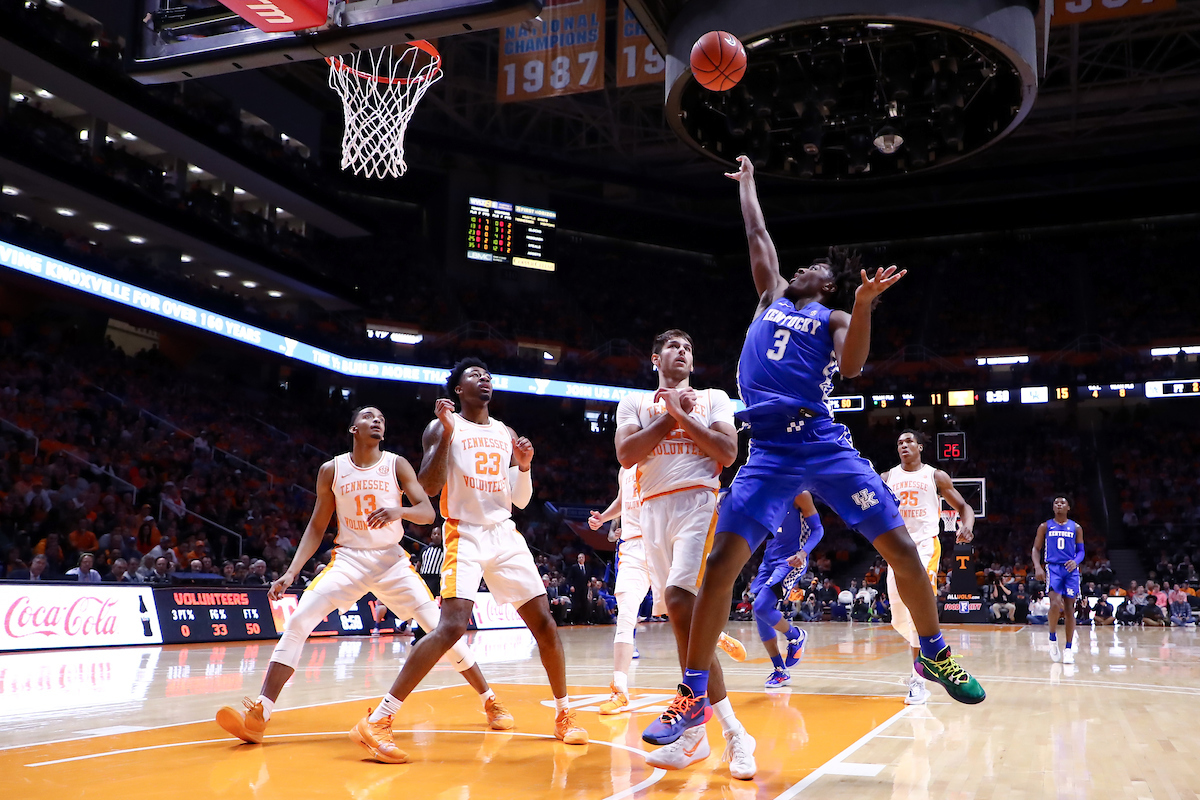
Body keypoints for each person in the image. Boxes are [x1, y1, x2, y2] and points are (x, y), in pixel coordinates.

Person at [643, 154, 985, 759]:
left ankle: (934, 652)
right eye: (802, 265)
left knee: (902, 548)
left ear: (826, 285)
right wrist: (749, 185)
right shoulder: (770, 293)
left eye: (816, 268)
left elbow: (852, 367)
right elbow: (757, 236)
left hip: (821, 443)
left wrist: (866, 303)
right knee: (721, 565)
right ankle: (693, 691)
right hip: (770, 450)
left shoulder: (833, 315)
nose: (802, 268)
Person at [216, 405, 516, 760]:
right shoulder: (332, 469)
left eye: (382, 420)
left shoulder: (396, 463)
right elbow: (316, 526)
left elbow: (427, 512)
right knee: (298, 622)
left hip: (391, 561)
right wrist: (292, 571)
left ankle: (490, 701)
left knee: (441, 630)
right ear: (353, 428)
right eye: (369, 416)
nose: (377, 421)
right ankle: (260, 714)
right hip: (349, 560)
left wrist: (398, 511)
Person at [361, 360, 588, 760]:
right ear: (458, 389)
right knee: (450, 627)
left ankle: (564, 715)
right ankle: (379, 718)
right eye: (475, 375)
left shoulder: (505, 432)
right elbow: (429, 487)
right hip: (463, 531)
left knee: (545, 624)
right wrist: (447, 434)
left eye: (488, 374)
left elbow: (520, 499)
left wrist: (525, 466)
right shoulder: (442, 427)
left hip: (503, 531)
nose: (485, 378)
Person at [616, 329, 755, 778]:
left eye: (689, 348)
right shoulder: (634, 402)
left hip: (700, 502)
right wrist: (671, 417)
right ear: (656, 357)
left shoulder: (715, 397)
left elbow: (727, 451)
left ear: (693, 362)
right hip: (652, 511)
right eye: (673, 347)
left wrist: (684, 415)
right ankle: (700, 735)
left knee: (679, 600)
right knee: (683, 623)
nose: (682, 352)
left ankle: (732, 733)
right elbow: (627, 453)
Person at [881, 429, 977, 704]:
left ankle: (917, 680)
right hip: (897, 550)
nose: (904, 445)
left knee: (916, 615)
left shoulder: (935, 476)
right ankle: (924, 659)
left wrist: (967, 527)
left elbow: (964, 506)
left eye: (909, 441)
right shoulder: (887, 478)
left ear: (920, 447)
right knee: (899, 618)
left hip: (924, 547)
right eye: (899, 442)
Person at [587, 465, 652, 714]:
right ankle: (620, 690)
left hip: (660, 542)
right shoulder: (625, 468)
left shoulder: (661, 455)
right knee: (626, 614)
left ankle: (715, 637)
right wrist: (603, 517)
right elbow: (622, 501)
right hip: (632, 548)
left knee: (682, 607)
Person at [750, 493, 823, 689]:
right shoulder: (767, 494)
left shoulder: (801, 494)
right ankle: (780, 671)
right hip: (769, 560)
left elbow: (818, 529)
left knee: (762, 606)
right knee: (759, 612)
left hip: (791, 560)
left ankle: (795, 635)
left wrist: (803, 553)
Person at [1032, 495, 1084, 664]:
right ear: (1053, 507)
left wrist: (1075, 561)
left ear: (1068, 507)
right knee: (1055, 604)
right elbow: (1036, 548)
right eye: (1056, 502)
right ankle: (1052, 638)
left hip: (1070, 570)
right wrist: (1038, 567)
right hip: (1053, 568)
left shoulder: (1076, 527)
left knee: (1069, 609)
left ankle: (1068, 648)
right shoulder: (1045, 526)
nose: (1059, 504)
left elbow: (1081, 551)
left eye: (1063, 502)